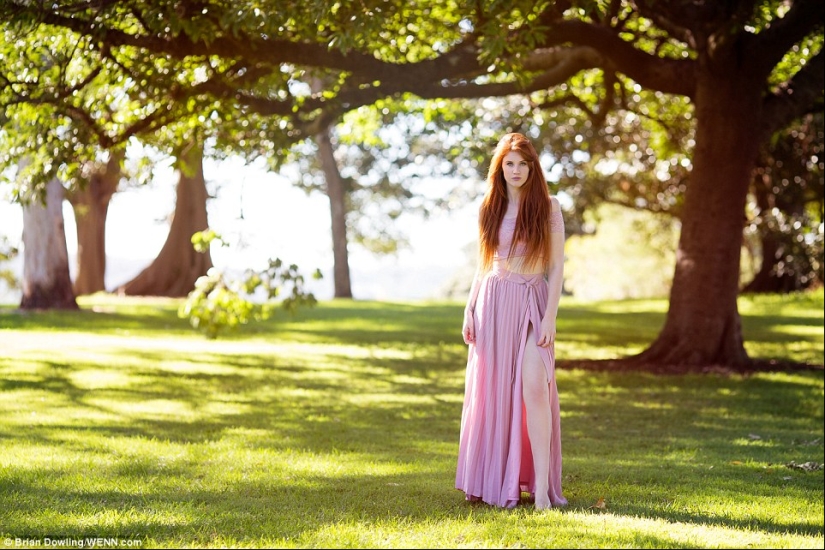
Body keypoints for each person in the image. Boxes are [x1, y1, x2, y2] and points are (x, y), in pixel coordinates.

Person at [455, 132, 567, 510]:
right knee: (495, 393)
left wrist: (550, 317)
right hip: (493, 303)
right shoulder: (489, 207)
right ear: (499, 168)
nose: (516, 170)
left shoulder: (549, 207)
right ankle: (494, 480)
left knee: (535, 386)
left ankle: (541, 490)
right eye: (509, 164)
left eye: (522, 164)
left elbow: (556, 267)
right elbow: (483, 263)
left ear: (533, 168)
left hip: (533, 302)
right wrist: (469, 307)